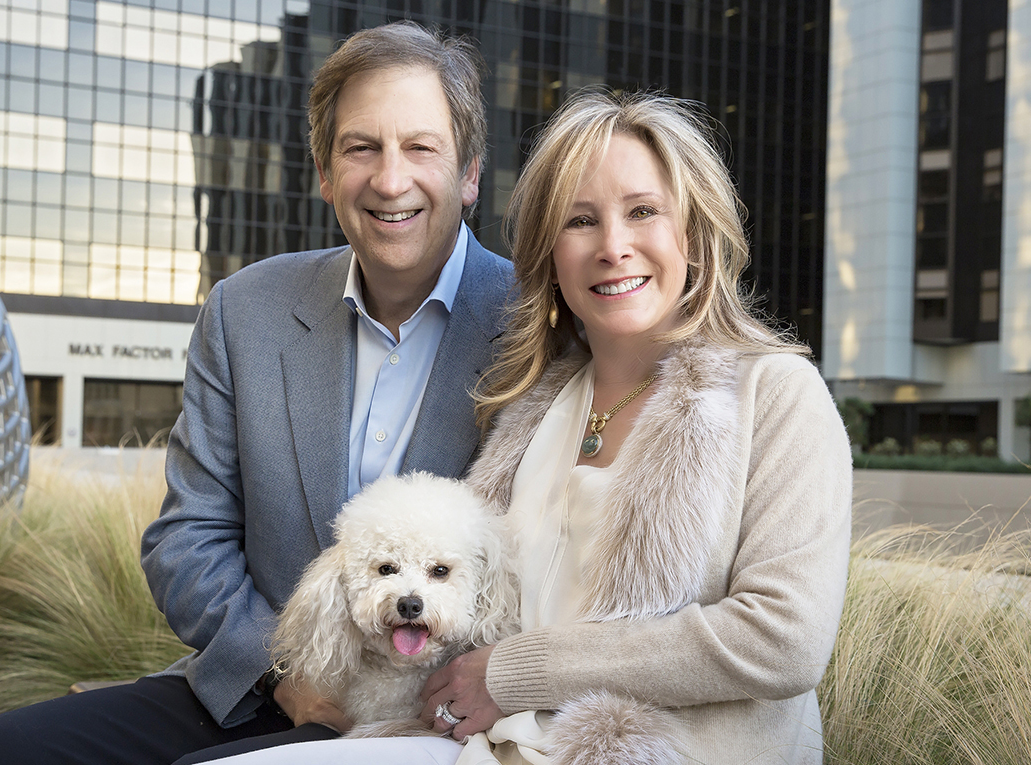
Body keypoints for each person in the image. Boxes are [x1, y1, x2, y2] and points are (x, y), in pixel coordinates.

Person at [205, 91, 851, 764]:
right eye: (580, 221)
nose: (613, 246)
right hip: (479, 746)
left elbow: (783, 640)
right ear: (550, 253)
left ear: (693, 230)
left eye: (643, 212)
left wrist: (521, 670)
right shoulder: (534, 404)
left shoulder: (775, 394)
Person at [0, 21, 512, 765]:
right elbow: (186, 539)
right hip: (262, 685)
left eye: (420, 147)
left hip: (438, 718)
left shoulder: (534, 322)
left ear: (468, 172)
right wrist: (283, 674)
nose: (390, 179)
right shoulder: (246, 309)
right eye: (361, 147)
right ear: (323, 170)